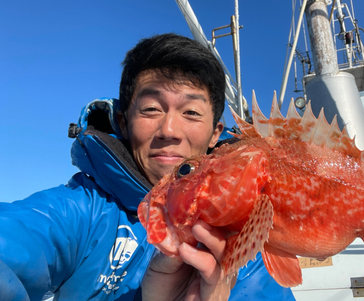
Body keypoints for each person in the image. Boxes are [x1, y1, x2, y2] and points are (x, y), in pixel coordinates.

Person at [0, 34, 295, 300]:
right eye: (151, 109)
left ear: (215, 134)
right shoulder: (80, 211)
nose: (170, 130)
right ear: (125, 122)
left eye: (191, 112)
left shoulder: (251, 242)